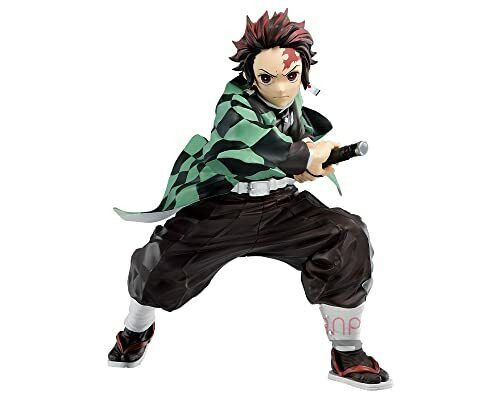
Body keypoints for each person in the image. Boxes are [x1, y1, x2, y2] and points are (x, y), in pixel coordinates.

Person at [108, 9, 392, 390]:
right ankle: (135, 330)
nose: (281, 89)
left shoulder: (293, 102)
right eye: (267, 78)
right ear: (251, 75)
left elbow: (295, 144)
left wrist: (310, 161)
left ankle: (347, 353)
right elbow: (258, 141)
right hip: (224, 208)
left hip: (280, 207)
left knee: (348, 236)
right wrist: (302, 157)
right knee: (158, 266)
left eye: (291, 76)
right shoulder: (233, 106)